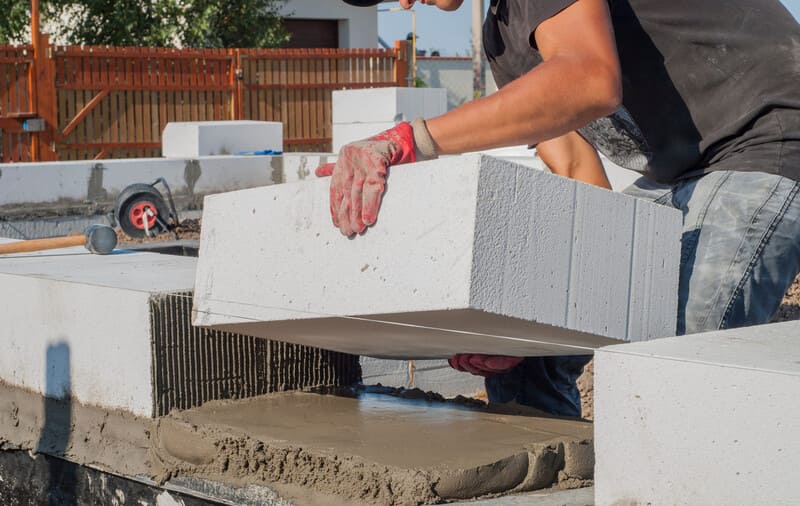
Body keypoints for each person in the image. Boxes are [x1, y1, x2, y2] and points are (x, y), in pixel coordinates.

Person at [326, 0, 800, 417]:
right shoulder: (502, 39)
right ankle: (556, 468)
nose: (405, 3)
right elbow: (577, 170)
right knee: (529, 350)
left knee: (669, 350)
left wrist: (413, 140)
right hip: (680, 174)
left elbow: (589, 79)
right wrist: (543, 328)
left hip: (769, 136)